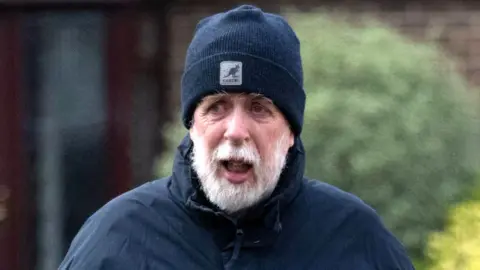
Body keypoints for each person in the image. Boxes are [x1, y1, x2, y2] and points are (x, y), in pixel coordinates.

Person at [59, 4, 415, 269]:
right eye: (217, 106)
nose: (236, 131)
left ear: (290, 130)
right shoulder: (115, 240)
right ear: (192, 124)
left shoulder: (355, 239)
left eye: (259, 108)